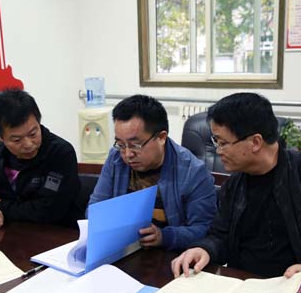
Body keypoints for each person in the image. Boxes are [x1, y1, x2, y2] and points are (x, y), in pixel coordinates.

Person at [171, 93, 301, 293]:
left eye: (223, 143)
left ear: (255, 142)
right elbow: (220, 235)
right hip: (246, 290)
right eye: (216, 142)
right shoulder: (234, 184)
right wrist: (204, 249)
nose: (218, 151)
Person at [89, 94, 216, 250]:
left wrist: (164, 237)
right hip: (122, 250)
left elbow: (203, 229)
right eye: (121, 144)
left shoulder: (193, 172)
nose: (127, 154)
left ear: (161, 137)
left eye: (135, 145)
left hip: (169, 256)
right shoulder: (116, 159)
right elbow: (95, 209)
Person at [0, 88, 83, 228]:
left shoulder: (60, 153)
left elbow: (49, 211)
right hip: (8, 234)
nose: (28, 144)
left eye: (33, 134)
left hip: (59, 234)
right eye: (17, 140)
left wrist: (0, 204)